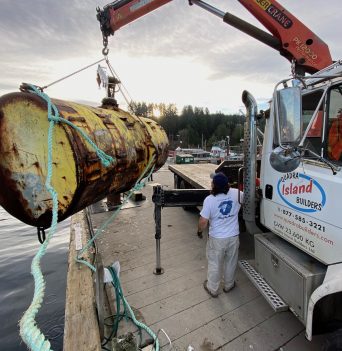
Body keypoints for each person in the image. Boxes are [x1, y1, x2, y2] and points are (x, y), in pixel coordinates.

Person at [197, 172, 243, 297]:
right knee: (231, 262)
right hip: (233, 236)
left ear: (214, 186)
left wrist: (199, 232)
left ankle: (212, 288)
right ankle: (228, 285)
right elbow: (247, 200)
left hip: (217, 239)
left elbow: (203, 221)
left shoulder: (210, 200)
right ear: (227, 184)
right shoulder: (237, 193)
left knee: (215, 263)